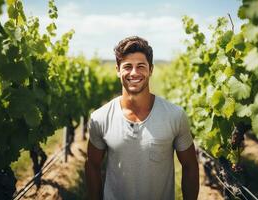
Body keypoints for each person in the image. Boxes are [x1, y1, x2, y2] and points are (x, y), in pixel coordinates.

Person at [85, 36, 199, 200]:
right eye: (127, 66)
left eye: (141, 66)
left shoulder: (175, 115)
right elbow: (92, 166)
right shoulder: (100, 118)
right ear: (117, 70)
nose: (134, 73)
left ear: (151, 69)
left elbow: (190, 166)